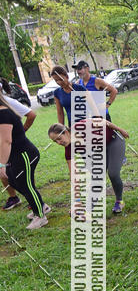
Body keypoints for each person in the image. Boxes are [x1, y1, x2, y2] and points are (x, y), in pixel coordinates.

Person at [48, 117, 129, 214]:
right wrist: (77, 201)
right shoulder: (69, 148)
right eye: (55, 141)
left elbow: (103, 121)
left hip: (113, 141)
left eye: (59, 139)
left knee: (113, 173)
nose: (59, 143)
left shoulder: (80, 127)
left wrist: (120, 130)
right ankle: (87, 209)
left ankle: (119, 201)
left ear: (66, 132)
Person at [0, 93, 48, 229]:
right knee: (14, 181)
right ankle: (41, 206)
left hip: (24, 154)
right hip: (15, 156)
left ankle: (40, 216)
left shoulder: (3, 114)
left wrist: (1, 164)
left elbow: (6, 141)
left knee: (25, 184)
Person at [0, 79, 37, 211]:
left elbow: (31, 115)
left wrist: (21, 132)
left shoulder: (5, 109)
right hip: (11, 150)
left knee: (23, 181)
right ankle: (33, 201)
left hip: (21, 151)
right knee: (14, 180)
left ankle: (39, 207)